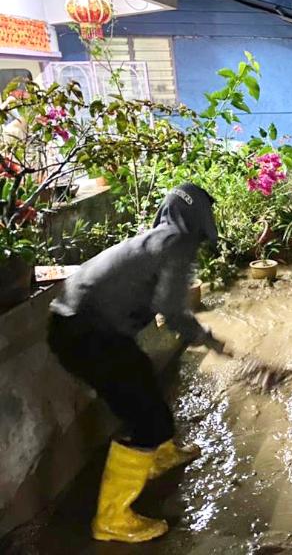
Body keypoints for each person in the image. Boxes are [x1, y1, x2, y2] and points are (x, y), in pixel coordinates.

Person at [47, 183, 228, 543]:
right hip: (87, 334)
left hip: (77, 324)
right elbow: (172, 310)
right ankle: (111, 519)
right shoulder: (177, 242)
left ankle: (159, 455)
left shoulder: (158, 238)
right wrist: (208, 339)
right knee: (149, 418)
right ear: (198, 215)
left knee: (141, 375)